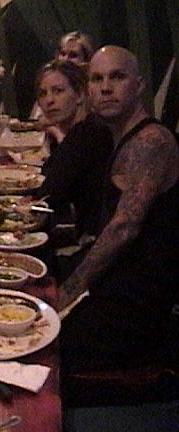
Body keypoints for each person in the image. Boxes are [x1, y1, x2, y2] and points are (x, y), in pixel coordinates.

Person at [58, 46, 179, 388]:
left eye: (117, 77)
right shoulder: (121, 136)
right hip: (118, 285)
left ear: (139, 85)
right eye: (97, 79)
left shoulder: (151, 140)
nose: (106, 87)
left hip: (138, 306)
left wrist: (68, 292)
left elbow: (124, 228)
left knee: (42, 343)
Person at [35, 60, 113, 239]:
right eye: (43, 93)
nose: (49, 100)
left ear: (79, 95)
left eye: (58, 91)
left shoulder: (86, 133)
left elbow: (48, 194)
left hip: (92, 240)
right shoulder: (83, 129)